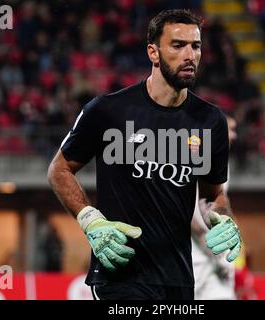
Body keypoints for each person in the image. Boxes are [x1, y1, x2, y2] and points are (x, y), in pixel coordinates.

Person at [48, 9, 242, 300]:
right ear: (153, 52)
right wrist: (91, 220)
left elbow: (212, 194)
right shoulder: (108, 110)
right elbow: (59, 170)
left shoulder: (210, 120)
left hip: (179, 279)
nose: (190, 54)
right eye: (178, 45)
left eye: (196, 46)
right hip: (121, 274)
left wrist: (223, 216)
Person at [191, 116, 237, 300]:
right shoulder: (196, 161)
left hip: (215, 258)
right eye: (230, 129)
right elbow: (187, 213)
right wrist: (211, 246)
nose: (234, 135)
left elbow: (221, 204)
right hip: (196, 258)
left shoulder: (221, 163)